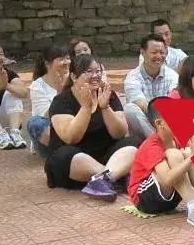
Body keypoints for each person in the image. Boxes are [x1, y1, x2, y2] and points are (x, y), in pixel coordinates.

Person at [44, 54, 137, 200]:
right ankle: (114, 178)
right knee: (66, 155)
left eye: (98, 71)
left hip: (107, 157)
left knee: (133, 142)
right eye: (88, 71)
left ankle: (105, 180)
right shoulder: (61, 101)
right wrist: (86, 108)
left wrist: (105, 107)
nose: (95, 76)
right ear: (74, 76)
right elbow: (71, 138)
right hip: (75, 161)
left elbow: (119, 133)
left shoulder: (108, 95)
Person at [128, 97, 194, 227]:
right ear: (159, 123)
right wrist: (191, 159)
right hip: (145, 199)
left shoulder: (178, 139)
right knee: (175, 154)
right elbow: (168, 179)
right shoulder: (151, 146)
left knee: (187, 152)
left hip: (169, 198)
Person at [123, 33, 179, 142]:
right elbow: (141, 104)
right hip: (145, 123)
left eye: (162, 52)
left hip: (167, 123)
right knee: (129, 109)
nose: (159, 56)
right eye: (154, 52)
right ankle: (160, 141)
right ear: (142, 53)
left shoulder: (172, 76)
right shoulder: (133, 77)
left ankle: (161, 140)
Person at [27, 45, 70, 157]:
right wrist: (60, 92)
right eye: (61, 59)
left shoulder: (75, 79)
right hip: (49, 137)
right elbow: (45, 118)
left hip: (71, 129)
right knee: (35, 123)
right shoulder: (37, 86)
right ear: (47, 63)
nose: (66, 62)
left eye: (67, 58)